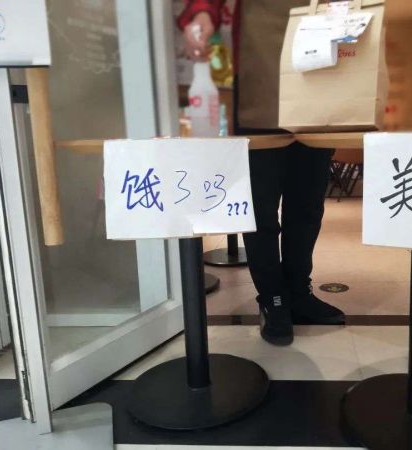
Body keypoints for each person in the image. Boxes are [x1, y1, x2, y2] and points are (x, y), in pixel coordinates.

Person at [178, 1, 345, 347]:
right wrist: (203, 12)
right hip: (260, 80)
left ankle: (298, 292)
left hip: (320, 81)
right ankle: (273, 297)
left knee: (308, 206)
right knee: (260, 210)